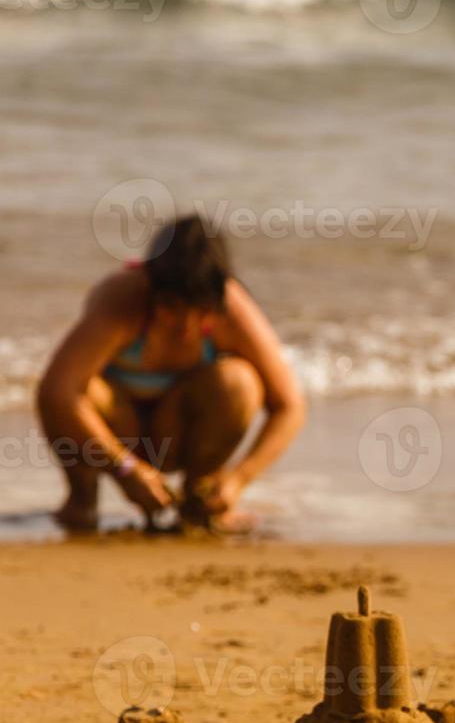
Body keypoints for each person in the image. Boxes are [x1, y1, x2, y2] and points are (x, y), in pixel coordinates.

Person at [37, 216, 305, 532]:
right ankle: (82, 499)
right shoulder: (123, 300)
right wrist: (126, 468)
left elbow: (290, 405)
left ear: (214, 300)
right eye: (172, 307)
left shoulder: (230, 308)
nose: (185, 325)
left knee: (239, 382)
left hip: (179, 430)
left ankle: (201, 499)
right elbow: (56, 390)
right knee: (75, 389)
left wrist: (238, 479)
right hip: (117, 436)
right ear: (150, 285)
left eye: (198, 309)